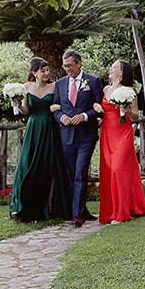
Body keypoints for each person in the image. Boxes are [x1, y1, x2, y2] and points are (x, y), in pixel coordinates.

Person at [8, 56, 70, 222]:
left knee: (48, 165)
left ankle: (49, 206)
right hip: (34, 128)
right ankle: (23, 204)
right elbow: (26, 111)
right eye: (43, 70)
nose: (47, 73)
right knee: (27, 164)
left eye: (48, 70)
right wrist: (18, 105)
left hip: (50, 128)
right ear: (34, 72)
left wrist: (58, 108)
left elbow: (62, 103)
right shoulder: (26, 87)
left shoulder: (54, 86)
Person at [52, 49, 104, 226]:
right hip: (66, 136)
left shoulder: (93, 81)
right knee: (70, 174)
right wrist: (61, 117)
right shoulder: (59, 84)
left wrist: (84, 116)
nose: (67, 69)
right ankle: (80, 209)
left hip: (86, 136)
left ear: (79, 63)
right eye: (64, 65)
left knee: (80, 173)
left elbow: (99, 108)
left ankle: (77, 216)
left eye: (70, 65)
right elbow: (55, 108)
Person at [97, 59, 145, 224]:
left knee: (118, 170)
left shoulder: (129, 90)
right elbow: (102, 110)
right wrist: (96, 108)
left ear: (122, 72)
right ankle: (110, 211)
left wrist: (126, 110)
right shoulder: (106, 89)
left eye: (114, 67)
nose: (111, 69)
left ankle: (122, 213)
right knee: (108, 170)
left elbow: (135, 116)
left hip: (123, 132)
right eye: (111, 67)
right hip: (107, 132)